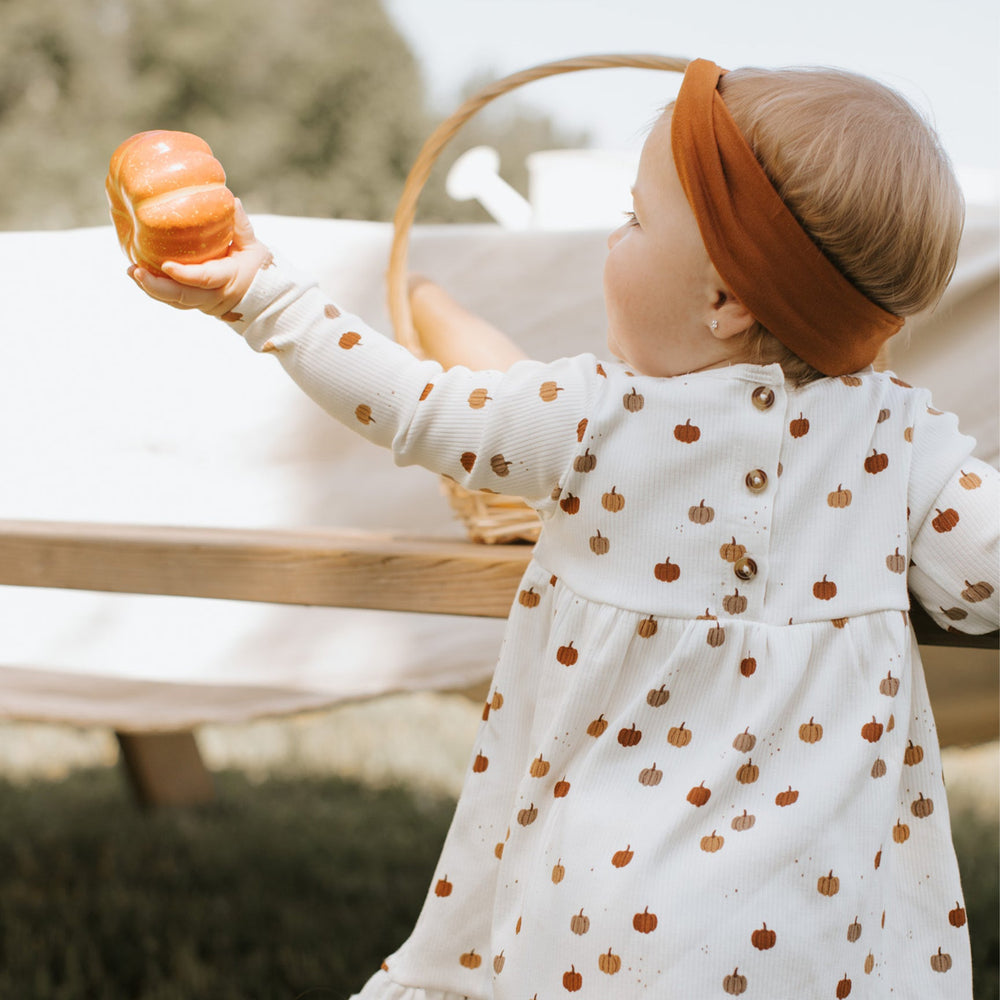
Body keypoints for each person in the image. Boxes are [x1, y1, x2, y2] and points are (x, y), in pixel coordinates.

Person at [131, 58, 997, 1000]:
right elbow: (986, 576)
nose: (613, 242)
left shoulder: (595, 420)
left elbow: (414, 403)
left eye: (634, 220)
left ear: (724, 300)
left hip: (600, 914)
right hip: (815, 936)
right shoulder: (901, 445)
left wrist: (262, 295)